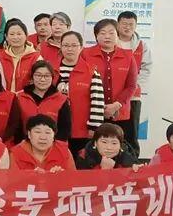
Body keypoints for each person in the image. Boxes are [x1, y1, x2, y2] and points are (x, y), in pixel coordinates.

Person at [9, 115, 80, 216]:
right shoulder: (16, 152)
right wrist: (30, 178)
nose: (43, 137)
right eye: (37, 132)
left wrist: (60, 177)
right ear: (29, 134)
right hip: (28, 202)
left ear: (54, 135)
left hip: (56, 201)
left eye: (48, 132)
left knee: (77, 206)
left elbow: (74, 182)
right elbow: (11, 184)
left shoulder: (64, 151)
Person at [75, 123, 145, 216]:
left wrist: (139, 173)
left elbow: (138, 192)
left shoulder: (128, 159)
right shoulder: (84, 157)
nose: (109, 147)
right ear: (95, 143)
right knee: (89, 205)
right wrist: (104, 171)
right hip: (93, 207)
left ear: (120, 145)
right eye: (104, 142)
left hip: (117, 209)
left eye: (114, 143)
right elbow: (82, 189)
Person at [81, 19, 139, 155]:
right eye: (102, 33)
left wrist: (116, 105)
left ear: (117, 35)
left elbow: (131, 86)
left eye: (111, 33)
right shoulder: (85, 54)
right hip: (92, 112)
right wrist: (98, 107)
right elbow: (81, 82)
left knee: (122, 150)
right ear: (96, 36)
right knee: (92, 150)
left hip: (119, 112)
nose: (107, 36)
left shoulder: (128, 56)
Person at [57, 31, 105, 157]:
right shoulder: (52, 70)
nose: (70, 49)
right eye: (66, 45)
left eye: (74, 45)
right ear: (60, 47)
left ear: (81, 47)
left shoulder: (91, 71)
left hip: (81, 129)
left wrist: (94, 127)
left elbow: (97, 101)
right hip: (54, 128)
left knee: (80, 162)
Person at [117, 10, 152, 146]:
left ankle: (132, 157)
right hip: (113, 95)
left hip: (133, 97)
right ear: (118, 25)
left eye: (131, 24)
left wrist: (134, 85)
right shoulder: (111, 42)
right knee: (111, 131)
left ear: (136, 26)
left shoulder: (142, 46)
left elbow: (147, 68)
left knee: (131, 132)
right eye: (124, 24)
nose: (127, 27)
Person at [14, 61, 71, 143]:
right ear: (32, 77)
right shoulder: (19, 97)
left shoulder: (62, 99)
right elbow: (15, 127)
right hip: (25, 145)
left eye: (47, 76)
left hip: (53, 146)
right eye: (38, 75)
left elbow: (65, 130)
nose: (42, 79)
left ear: (52, 78)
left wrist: (51, 144)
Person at [0, 18, 40, 92]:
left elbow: (38, 83)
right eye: (12, 34)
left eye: (19, 34)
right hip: (5, 97)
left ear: (26, 36)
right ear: (6, 37)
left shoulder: (36, 58)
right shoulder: (1, 57)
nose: (15, 37)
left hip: (28, 97)